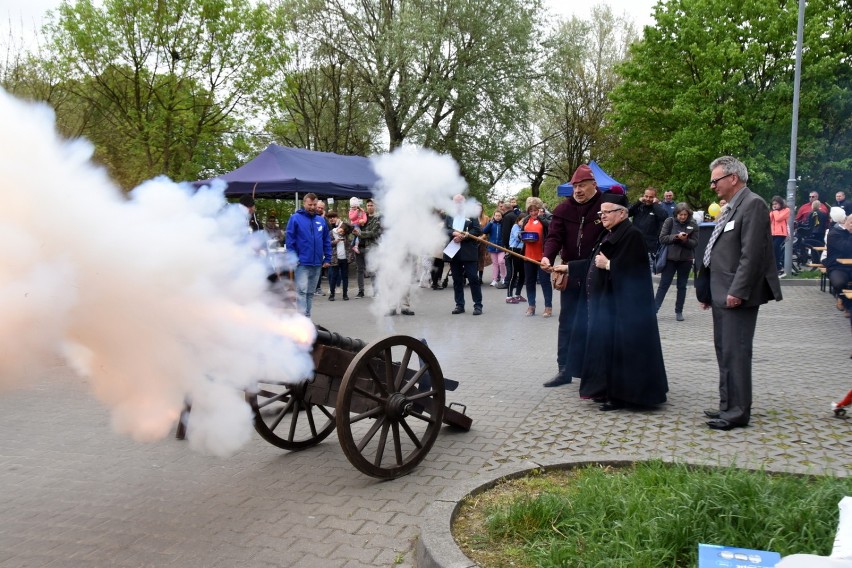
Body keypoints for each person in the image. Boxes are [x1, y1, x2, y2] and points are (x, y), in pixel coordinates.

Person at [550, 199, 668, 410]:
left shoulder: (632, 235)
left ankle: (624, 397)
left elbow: (637, 271)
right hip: (606, 307)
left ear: (622, 213)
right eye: (600, 213)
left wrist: (610, 264)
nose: (602, 216)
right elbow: (591, 263)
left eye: (607, 212)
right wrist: (566, 268)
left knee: (622, 353)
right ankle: (605, 391)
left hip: (624, 311)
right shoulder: (609, 233)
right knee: (605, 351)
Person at [700, 156, 782, 430]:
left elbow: (752, 254)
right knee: (724, 350)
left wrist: (738, 291)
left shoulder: (753, 204)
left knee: (737, 352)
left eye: (716, 180)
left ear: (732, 178)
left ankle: (737, 412)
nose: (713, 186)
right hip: (720, 291)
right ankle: (727, 405)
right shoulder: (732, 206)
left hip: (736, 294)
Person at [540, 163, 609, 387]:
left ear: (594, 185)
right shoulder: (563, 210)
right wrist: (547, 257)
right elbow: (553, 237)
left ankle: (596, 370)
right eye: (575, 186)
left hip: (598, 273)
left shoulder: (606, 206)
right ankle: (564, 369)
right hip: (569, 273)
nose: (577, 190)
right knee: (568, 321)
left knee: (596, 321)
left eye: (582, 186)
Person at [285, 193, 332, 318]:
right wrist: (293, 258)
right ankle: (301, 320)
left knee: (310, 293)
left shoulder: (321, 220)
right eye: (310, 204)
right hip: (302, 263)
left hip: (317, 263)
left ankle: (307, 317)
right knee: (301, 292)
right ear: (304, 203)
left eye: (314, 204)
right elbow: (290, 241)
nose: (312, 207)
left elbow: (326, 240)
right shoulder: (295, 218)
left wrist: (328, 257)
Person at [654, 203, 698, 321]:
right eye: (680, 214)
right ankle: (654, 310)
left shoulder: (693, 224)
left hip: (685, 259)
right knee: (663, 285)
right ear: (676, 214)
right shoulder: (669, 222)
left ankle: (679, 311)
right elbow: (662, 238)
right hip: (670, 259)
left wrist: (685, 240)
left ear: (688, 214)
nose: (682, 217)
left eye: (685, 215)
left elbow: (695, 243)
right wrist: (676, 237)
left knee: (682, 286)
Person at [444, 194, 483, 315]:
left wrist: (464, 236)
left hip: (468, 251)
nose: (459, 204)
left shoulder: (472, 214)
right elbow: (445, 230)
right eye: (456, 202)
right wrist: (454, 233)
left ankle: (478, 305)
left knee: (473, 278)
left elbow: (477, 230)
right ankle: (459, 305)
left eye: (461, 202)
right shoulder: (449, 215)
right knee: (457, 279)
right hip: (453, 250)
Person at [520, 197, 553, 317]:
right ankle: (531, 306)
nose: (533, 213)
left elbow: (551, 228)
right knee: (530, 282)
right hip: (528, 256)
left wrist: (540, 217)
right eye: (531, 210)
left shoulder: (545, 218)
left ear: (540, 209)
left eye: (535, 210)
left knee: (545, 282)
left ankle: (548, 307)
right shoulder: (526, 220)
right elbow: (521, 233)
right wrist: (522, 237)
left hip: (542, 256)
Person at [628, 187, 668, 269]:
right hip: (634, 245)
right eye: (646, 196)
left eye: (651, 197)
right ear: (643, 196)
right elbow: (627, 214)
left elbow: (664, 216)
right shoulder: (639, 207)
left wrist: (655, 204)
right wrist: (638, 202)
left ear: (655, 198)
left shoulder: (657, 208)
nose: (648, 199)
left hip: (649, 247)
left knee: (646, 274)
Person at [824, 211, 852, 315]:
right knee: (839, 282)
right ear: (848, 222)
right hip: (837, 267)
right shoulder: (834, 234)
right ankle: (845, 303)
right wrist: (850, 233)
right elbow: (847, 248)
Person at [353, 199, 381, 298]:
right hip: (359, 247)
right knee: (359, 270)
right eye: (368, 205)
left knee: (373, 270)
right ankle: (361, 292)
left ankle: (376, 292)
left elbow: (373, 233)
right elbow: (353, 225)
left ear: (375, 206)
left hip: (371, 247)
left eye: (371, 205)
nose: (369, 207)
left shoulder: (378, 218)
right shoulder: (362, 216)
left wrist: (360, 233)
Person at [327, 212, 353, 301]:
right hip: (335, 258)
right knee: (334, 276)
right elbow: (327, 244)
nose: (332, 219)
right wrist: (335, 242)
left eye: (334, 217)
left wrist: (342, 224)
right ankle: (332, 294)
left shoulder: (345, 231)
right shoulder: (331, 232)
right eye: (330, 218)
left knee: (345, 277)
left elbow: (352, 227)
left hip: (345, 258)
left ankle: (345, 294)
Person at [505, 214, 526, 304]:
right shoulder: (515, 226)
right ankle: (509, 296)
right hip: (513, 251)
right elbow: (518, 237)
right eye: (522, 221)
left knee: (522, 274)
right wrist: (524, 232)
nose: (523, 223)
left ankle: (517, 294)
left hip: (522, 251)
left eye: (525, 221)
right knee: (513, 274)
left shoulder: (525, 228)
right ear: (518, 220)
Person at [482, 210, 507, 287]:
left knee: (501, 262)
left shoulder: (503, 225)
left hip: (501, 247)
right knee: (495, 264)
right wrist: (490, 223)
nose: (497, 217)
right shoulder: (491, 224)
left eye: (499, 216)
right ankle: (494, 279)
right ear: (494, 216)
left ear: (501, 216)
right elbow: (484, 231)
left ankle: (503, 278)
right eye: (496, 215)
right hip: (492, 247)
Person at [769, 196, 790, 275]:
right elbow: (769, 220)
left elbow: (778, 218)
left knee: (775, 248)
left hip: (781, 233)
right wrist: (772, 212)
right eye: (773, 204)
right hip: (772, 233)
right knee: (774, 250)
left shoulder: (786, 210)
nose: (775, 205)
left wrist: (774, 211)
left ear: (780, 203)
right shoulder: (773, 212)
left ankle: (779, 267)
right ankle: (776, 267)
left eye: (776, 204)